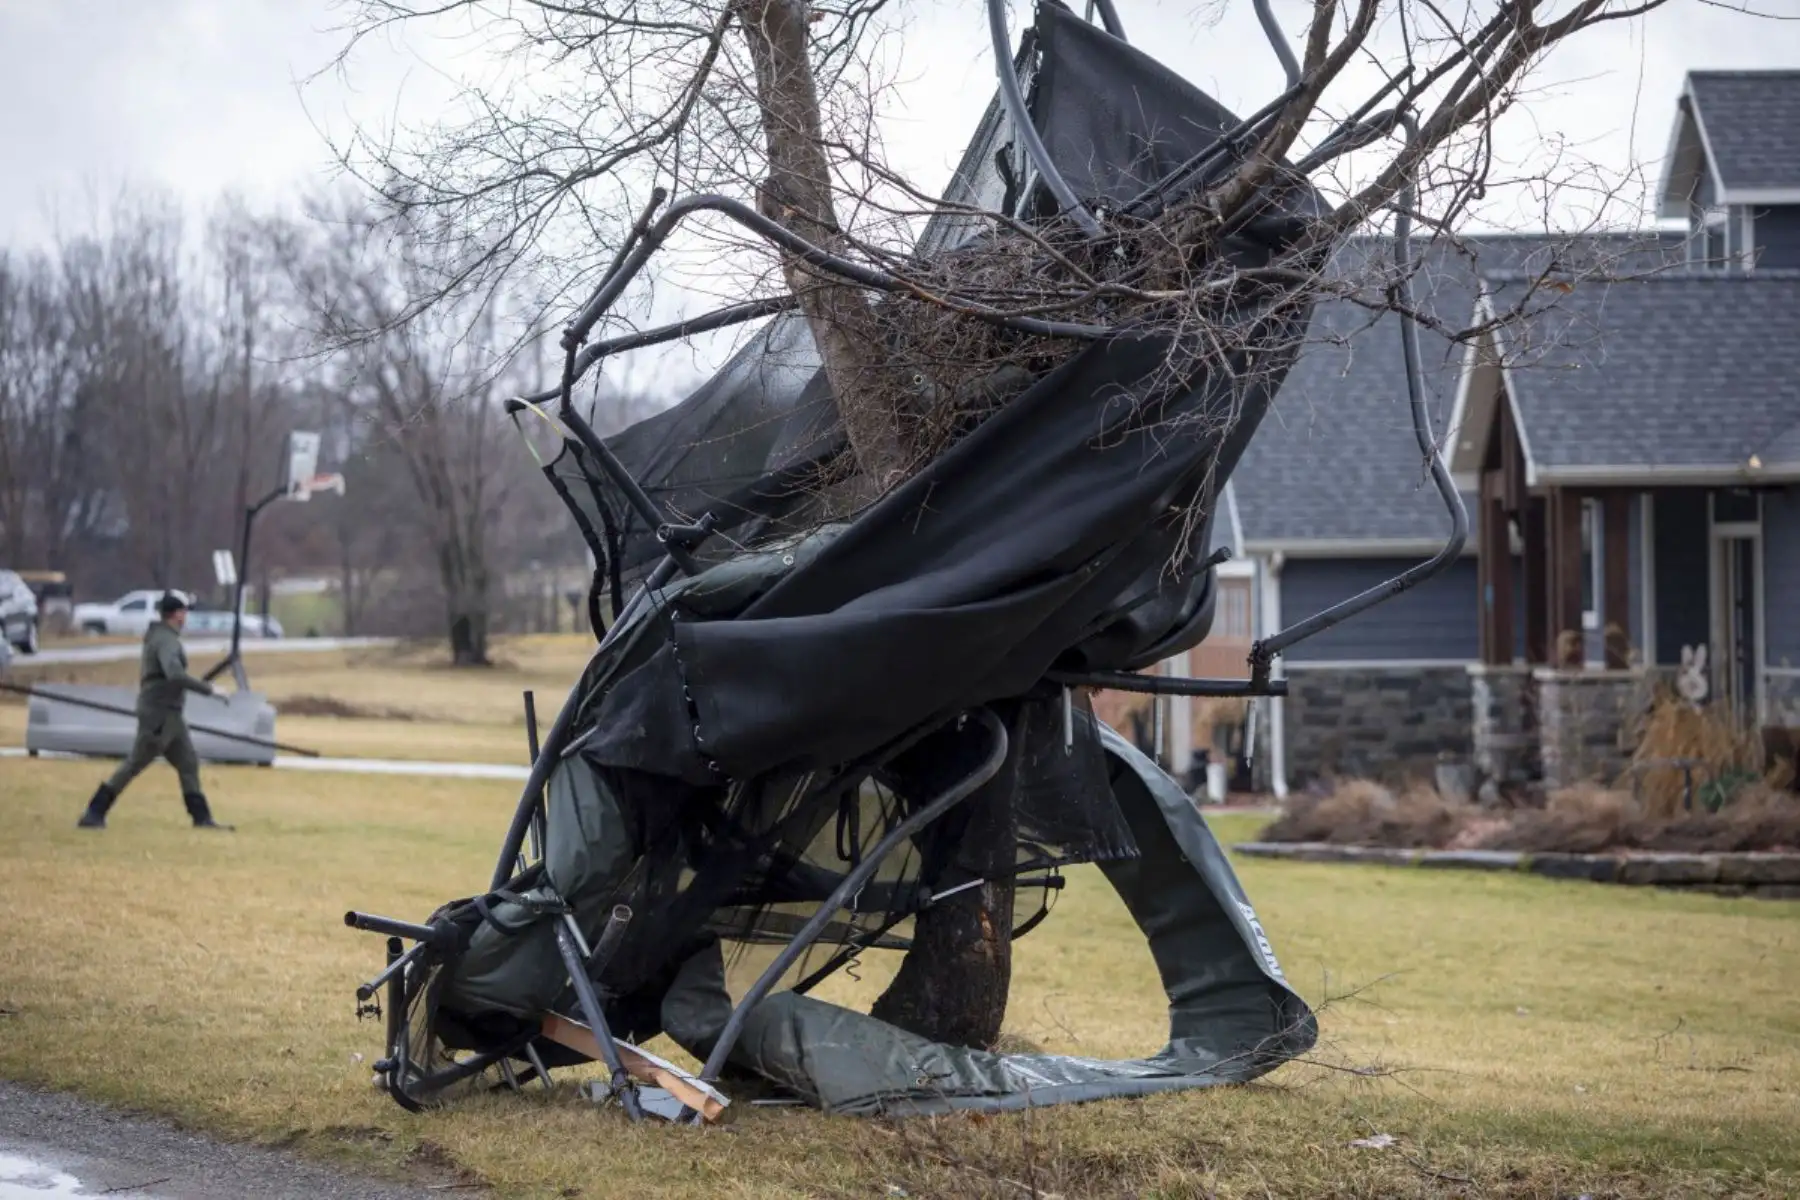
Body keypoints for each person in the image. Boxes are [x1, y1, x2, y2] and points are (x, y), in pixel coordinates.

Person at [77, 590, 233, 830]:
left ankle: (202, 818)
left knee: (188, 762)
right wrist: (209, 690)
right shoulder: (166, 640)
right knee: (135, 763)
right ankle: (94, 812)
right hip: (159, 715)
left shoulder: (162, 636)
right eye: (184, 611)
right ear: (176, 614)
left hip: (172, 716)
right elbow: (174, 674)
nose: (186, 616)